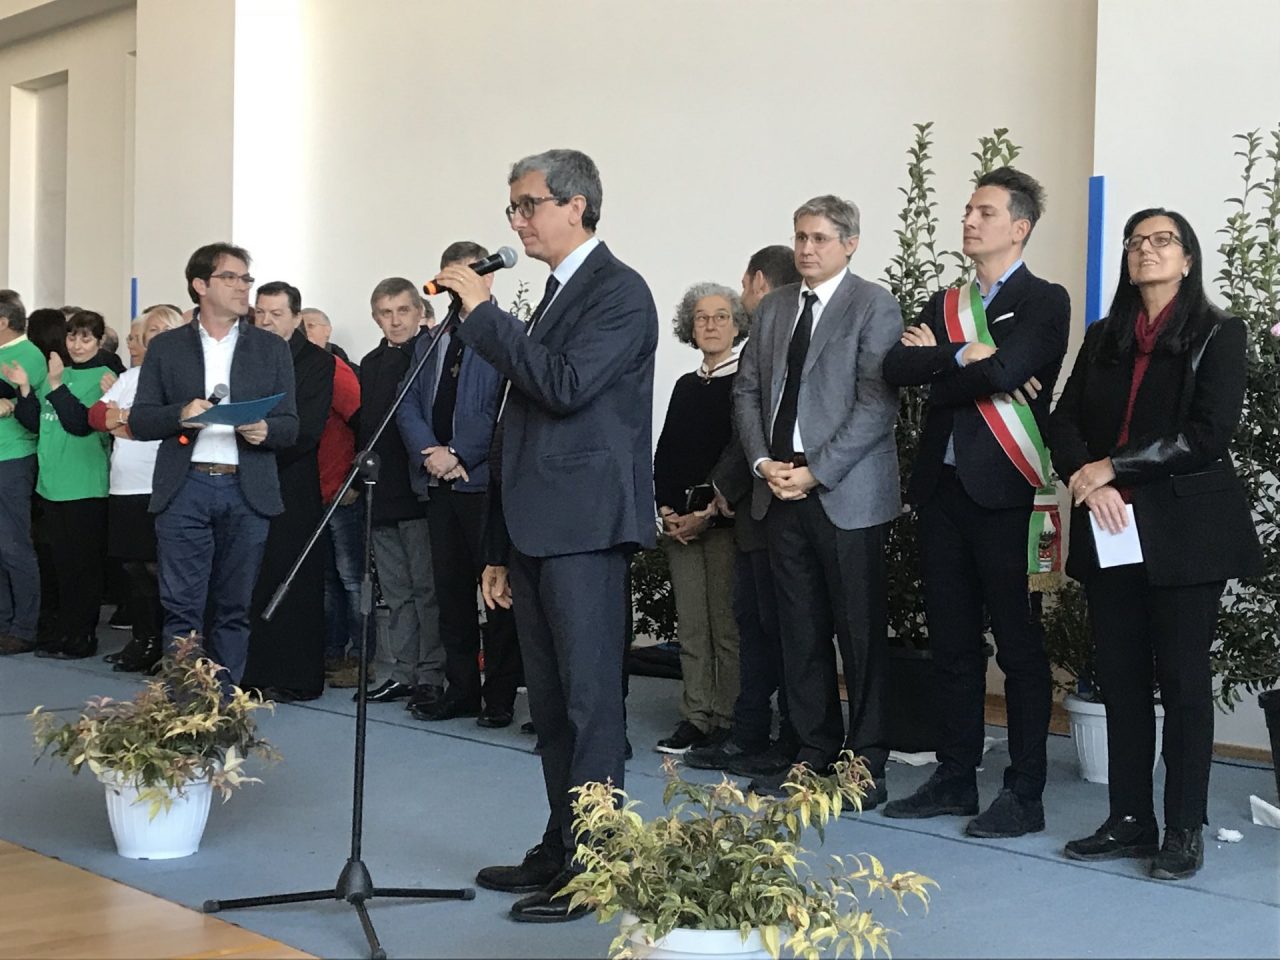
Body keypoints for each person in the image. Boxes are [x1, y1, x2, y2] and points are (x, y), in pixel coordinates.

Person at [432, 148, 658, 923]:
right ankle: (563, 844)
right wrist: (497, 546)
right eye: (514, 208)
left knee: (591, 705)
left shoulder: (620, 292)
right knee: (552, 705)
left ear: (577, 206)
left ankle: (597, 864)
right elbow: (515, 427)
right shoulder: (556, 294)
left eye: (528, 205)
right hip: (533, 531)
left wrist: (483, 317)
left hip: (585, 528)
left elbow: (563, 388)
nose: (517, 220)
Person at [1047, 208, 1263, 880]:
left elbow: (1208, 433)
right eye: (1136, 241)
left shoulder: (1219, 332)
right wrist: (1089, 483)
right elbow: (1062, 421)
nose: (1147, 250)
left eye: (1163, 240)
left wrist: (1113, 468)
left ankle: (1183, 829)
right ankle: (1130, 820)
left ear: (1188, 257)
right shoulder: (1105, 336)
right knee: (1122, 681)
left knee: (1184, 682)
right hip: (1110, 525)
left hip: (1185, 532)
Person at [880, 167, 1070, 838]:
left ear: (1018, 227)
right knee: (952, 644)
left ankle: (1025, 791)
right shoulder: (946, 301)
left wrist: (946, 362)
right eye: (967, 209)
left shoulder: (1045, 300)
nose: (968, 220)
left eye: (984, 212)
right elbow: (895, 368)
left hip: (1006, 495)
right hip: (943, 492)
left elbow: (1011, 371)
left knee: (1017, 647)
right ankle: (955, 776)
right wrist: (967, 354)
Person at [732, 194, 902, 805]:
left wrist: (816, 472)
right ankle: (812, 753)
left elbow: (877, 404)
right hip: (778, 485)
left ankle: (866, 763)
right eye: (800, 237)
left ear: (850, 244)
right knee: (798, 629)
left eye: (820, 238)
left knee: (859, 633)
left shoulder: (874, 304)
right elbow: (747, 391)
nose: (806, 249)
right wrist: (762, 463)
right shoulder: (776, 306)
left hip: (844, 491)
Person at [130, 243, 299, 687]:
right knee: (181, 608)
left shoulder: (270, 347)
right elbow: (142, 420)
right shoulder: (167, 347)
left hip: (247, 487)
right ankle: (184, 708)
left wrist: (267, 430)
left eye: (246, 278)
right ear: (200, 285)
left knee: (234, 608)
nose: (243, 287)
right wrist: (181, 414)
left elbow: (291, 425)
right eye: (231, 278)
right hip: (185, 485)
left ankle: (223, 709)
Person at [685, 246, 801, 774]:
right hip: (754, 509)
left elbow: (754, 428)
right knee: (754, 626)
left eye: (744, 286)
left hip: (780, 507)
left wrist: (720, 489)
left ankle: (789, 739)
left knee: (781, 631)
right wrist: (723, 488)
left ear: (758, 283)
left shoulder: (777, 340)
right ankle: (750, 733)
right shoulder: (766, 340)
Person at [398, 241, 523, 727]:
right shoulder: (431, 339)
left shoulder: (507, 333)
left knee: (497, 593)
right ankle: (462, 690)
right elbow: (407, 403)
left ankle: (500, 697)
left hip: (483, 482)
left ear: (487, 278)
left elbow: (503, 409)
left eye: (468, 274)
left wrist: (459, 453)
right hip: (439, 485)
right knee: (450, 595)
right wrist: (430, 453)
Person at [651, 282, 748, 754]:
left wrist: (707, 513)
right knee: (691, 626)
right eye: (701, 318)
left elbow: (740, 453)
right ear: (689, 327)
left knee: (726, 628)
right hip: (681, 529)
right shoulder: (685, 386)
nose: (711, 325)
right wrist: (667, 510)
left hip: (724, 523)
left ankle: (727, 719)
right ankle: (695, 716)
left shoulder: (745, 383)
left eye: (721, 316)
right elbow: (666, 453)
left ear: (737, 325)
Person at [240, 282, 335, 701]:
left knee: (293, 581)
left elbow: (307, 429)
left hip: (291, 482)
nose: (266, 321)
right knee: (250, 578)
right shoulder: (244, 356)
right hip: (245, 479)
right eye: (260, 313)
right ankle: (250, 671)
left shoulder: (316, 361)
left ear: (297, 318)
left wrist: (258, 438)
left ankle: (296, 676)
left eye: (276, 314)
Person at [356, 278, 444, 707]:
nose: (394, 321)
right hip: (381, 492)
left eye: (403, 311)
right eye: (385, 313)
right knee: (395, 593)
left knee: (427, 590)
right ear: (376, 318)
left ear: (420, 312)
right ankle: (402, 672)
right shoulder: (370, 363)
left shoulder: (432, 355)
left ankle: (432, 674)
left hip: (420, 491)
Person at [4, 311, 114, 659]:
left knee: (84, 565)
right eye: (71, 337)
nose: (77, 345)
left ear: (98, 342)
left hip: (84, 483)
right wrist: (25, 388)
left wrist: (55, 386)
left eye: (85, 338)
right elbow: (35, 422)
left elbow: (80, 424)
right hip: (51, 484)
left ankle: (83, 635)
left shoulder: (106, 377)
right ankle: (64, 630)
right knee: (61, 564)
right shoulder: (59, 372)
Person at [88, 305, 188, 672]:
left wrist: (126, 420)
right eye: (150, 331)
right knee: (131, 565)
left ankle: (167, 646)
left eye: (161, 329)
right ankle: (143, 639)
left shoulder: (178, 377)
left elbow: (167, 423)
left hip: (157, 482)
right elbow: (97, 416)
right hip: (124, 483)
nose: (153, 337)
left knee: (157, 568)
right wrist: (127, 420)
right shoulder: (131, 376)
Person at [0, 290, 47, 655]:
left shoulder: (26, 354)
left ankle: (24, 627)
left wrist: (10, 400)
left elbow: (24, 400)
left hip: (13, 457)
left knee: (14, 544)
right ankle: (3, 621)